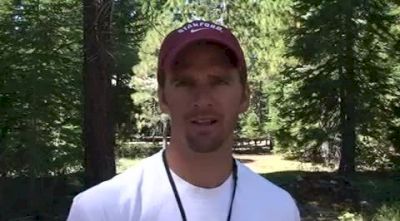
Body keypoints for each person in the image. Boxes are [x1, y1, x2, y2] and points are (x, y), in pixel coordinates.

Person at [67, 20, 300, 221]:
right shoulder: (102, 210)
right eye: (184, 82)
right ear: (163, 98)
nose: (202, 100)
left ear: (245, 96)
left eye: (218, 81)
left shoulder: (279, 209)